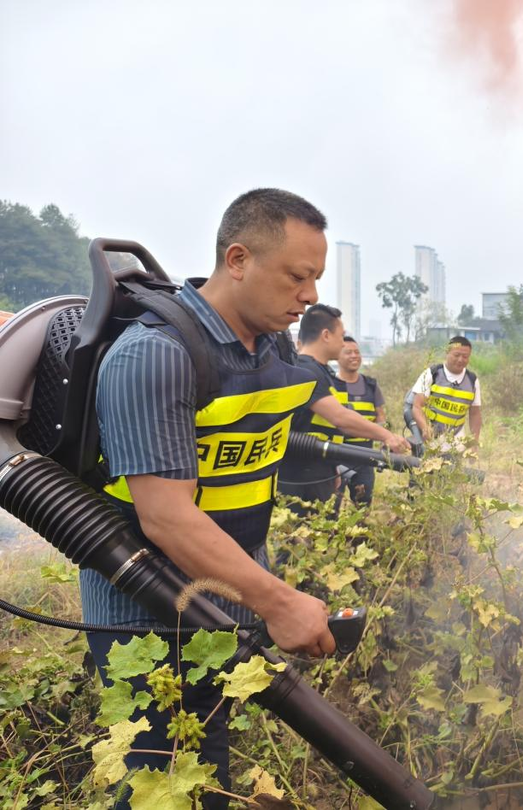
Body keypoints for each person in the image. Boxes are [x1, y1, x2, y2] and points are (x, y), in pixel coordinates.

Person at [80, 188, 339, 808]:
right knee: (155, 781)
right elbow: (167, 517)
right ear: (240, 259)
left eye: (317, 279)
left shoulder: (273, 348)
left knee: (207, 767)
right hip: (145, 614)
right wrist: (279, 602)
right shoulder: (156, 355)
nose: (309, 297)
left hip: (226, 601)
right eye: (297, 277)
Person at [278, 306, 407, 507]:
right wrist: (387, 436)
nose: (343, 342)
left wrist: (331, 469)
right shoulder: (305, 370)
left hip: (317, 471)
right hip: (299, 479)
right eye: (341, 335)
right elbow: (340, 418)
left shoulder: (321, 372)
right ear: (326, 335)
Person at [335, 335, 387, 507]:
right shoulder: (331, 384)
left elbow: (380, 415)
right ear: (337, 355)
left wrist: (383, 439)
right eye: (348, 352)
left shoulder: (370, 385)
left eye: (357, 352)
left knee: (363, 502)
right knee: (332, 504)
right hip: (338, 451)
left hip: (365, 454)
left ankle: (360, 533)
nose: (354, 356)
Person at [409, 336, 482, 448]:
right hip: (430, 438)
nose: (460, 360)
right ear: (447, 353)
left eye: (465, 356)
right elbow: (417, 406)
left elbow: (475, 413)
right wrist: (425, 428)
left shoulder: (472, 380)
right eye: (456, 355)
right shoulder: (432, 374)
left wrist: (474, 444)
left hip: (456, 439)